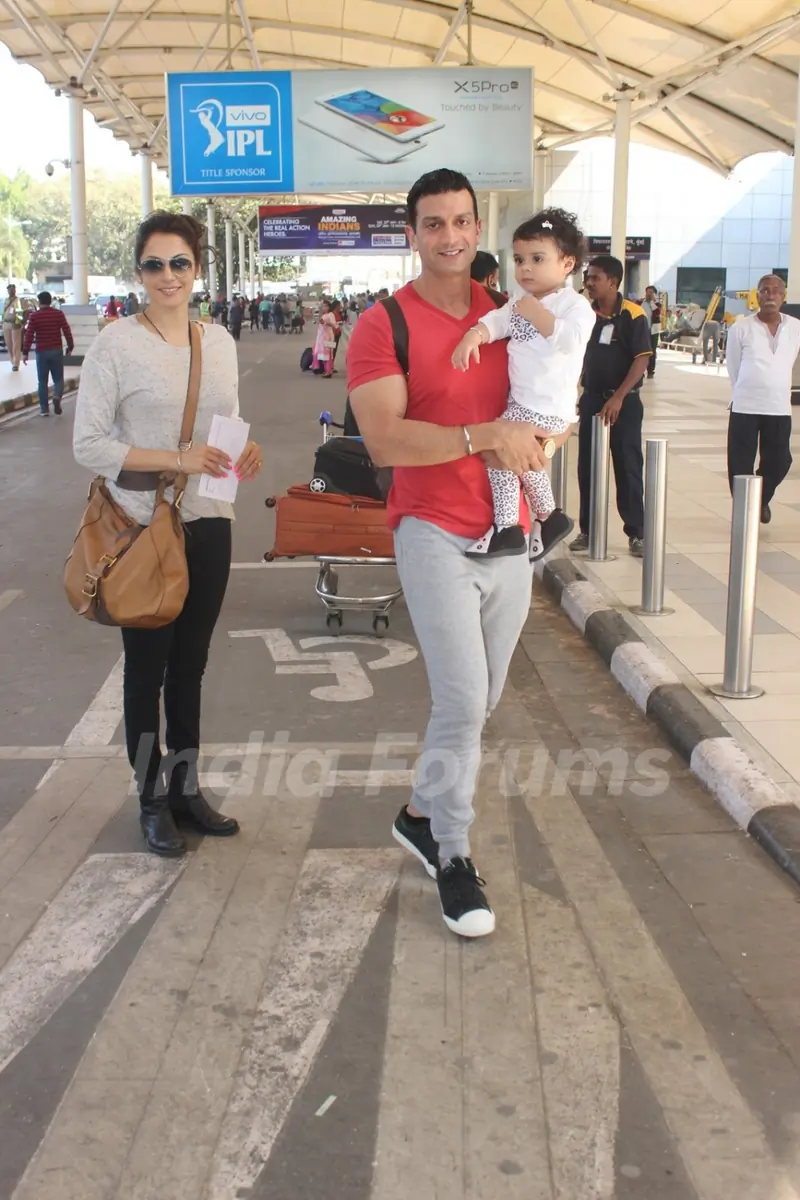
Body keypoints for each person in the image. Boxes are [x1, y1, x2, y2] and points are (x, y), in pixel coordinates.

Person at [347, 168, 564, 939]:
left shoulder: (510, 312)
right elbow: (383, 439)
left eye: (462, 221)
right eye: (433, 224)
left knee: (485, 700)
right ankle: (453, 852)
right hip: (431, 527)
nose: (450, 236)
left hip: (507, 534)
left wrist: (547, 430)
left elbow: (551, 379)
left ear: (479, 229)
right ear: (412, 235)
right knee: (463, 702)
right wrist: (481, 438)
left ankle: (415, 812)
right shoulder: (383, 324)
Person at [72, 210, 264, 858]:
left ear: (198, 269)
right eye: (154, 264)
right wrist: (175, 460)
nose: (167, 276)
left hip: (209, 522)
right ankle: (150, 797)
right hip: (143, 527)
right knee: (146, 671)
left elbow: (225, 423)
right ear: (138, 272)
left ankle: (185, 789)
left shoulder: (221, 342)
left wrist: (243, 450)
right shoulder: (116, 345)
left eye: (179, 263)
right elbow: (89, 444)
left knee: (192, 666)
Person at [452, 208, 595, 560]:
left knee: (499, 452)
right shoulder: (518, 303)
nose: (526, 267)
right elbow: (498, 320)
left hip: (548, 406)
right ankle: (545, 518)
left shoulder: (574, 305)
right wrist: (475, 334)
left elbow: (572, 342)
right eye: (519, 259)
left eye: (537, 258)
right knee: (511, 456)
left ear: (567, 263)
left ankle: (509, 527)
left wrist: (538, 315)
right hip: (523, 403)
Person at [570, 255, 651, 558]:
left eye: (595, 278)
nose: (589, 283)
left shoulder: (633, 314)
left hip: (624, 404)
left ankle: (637, 533)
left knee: (628, 467)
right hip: (592, 400)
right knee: (588, 468)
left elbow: (641, 359)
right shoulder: (585, 313)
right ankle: (588, 531)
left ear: (613, 282)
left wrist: (618, 396)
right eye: (588, 278)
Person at [725, 274, 800, 524]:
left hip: (778, 407)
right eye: (765, 291)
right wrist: (743, 392)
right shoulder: (741, 327)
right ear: (757, 296)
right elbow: (733, 365)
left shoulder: (795, 327)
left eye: (776, 291)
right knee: (740, 464)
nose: (770, 295)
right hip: (745, 406)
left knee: (780, 461)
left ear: (784, 296)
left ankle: (761, 499)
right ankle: (745, 510)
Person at [21, 290, 74, 416]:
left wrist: (25, 352)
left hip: (41, 352)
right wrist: (70, 346)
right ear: (50, 301)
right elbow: (67, 330)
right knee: (58, 379)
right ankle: (56, 396)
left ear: (39, 302)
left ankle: (44, 409)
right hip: (56, 350)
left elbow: (29, 335)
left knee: (42, 381)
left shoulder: (34, 316)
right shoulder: (58, 314)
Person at [311, 299, 338, 377]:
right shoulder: (323, 315)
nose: (324, 308)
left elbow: (334, 325)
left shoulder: (331, 314)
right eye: (323, 306)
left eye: (325, 306)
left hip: (328, 337)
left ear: (329, 307)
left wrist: (326, 323)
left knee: (328, 354)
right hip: (321, 337)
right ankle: (325, 369)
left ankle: (329, 371)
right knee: (322, 353)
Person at [640, 285, 662, 378]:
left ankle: (650, 371)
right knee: (641, 351)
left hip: (653, 331)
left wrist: (653, 302)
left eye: (651, 292)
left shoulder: (657, 305)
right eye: (647, 292)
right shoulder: (640, 303)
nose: (649, 294)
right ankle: (640, 371)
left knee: (652, 351)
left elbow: (657, 312)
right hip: (641, 330)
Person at [3, 283, 24, 371]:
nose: (11, 291)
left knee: (16, 344)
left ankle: (16, 363)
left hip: (14, 324)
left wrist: (18, 322)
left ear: (15, 290)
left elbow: (20, 313)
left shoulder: (17, 300)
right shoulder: (6, 300)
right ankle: (12, 361)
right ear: (7, 291)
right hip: (6, 324)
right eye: (9, 289)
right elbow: (4, 312)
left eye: (13, 289)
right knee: (9, 344)